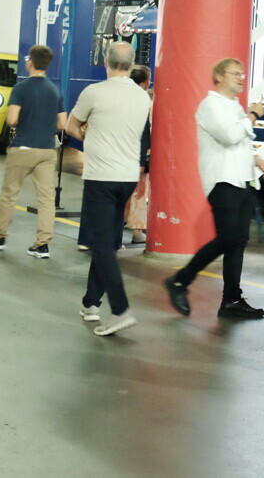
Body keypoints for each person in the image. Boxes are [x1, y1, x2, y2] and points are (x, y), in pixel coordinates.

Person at [163, 58, 264, 319]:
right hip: (223, 182)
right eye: (235, 73)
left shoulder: (234, 106)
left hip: (243, 180)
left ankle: (231, 299)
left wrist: (255, 159)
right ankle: (180, 280)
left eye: (243, 74)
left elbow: (239, 143)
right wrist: (254, 115)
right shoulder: (210, 105)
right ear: (219, 76)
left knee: (237, 242)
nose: (241, 77)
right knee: (229, 238)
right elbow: (229, 135)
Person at [65, 41, 152, 336]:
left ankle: (120, 309)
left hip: (101, 176)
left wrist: (86, 133)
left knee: (101, 244)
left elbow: (72, 126)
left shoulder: (94, 92)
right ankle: (91, 303)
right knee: (107, 238)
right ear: (131, 64)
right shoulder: (143, 99)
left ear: (106, 61)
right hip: (127, 177)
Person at [0, 44, 65, 258]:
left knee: (10, 192)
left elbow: (11, 119)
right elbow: (62, 124)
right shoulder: (55, 90)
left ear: (30, 63)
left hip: (24, 147)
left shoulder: (21, 88)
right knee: (46, 198)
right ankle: (42, 244)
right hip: (47, 150)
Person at [123, 65, 152, 245]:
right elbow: (144, 132)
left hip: (121, 153)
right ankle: (137, 230)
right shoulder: (144, 102)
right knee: (139, 194)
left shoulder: (124, 98)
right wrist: (143, 158)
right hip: (138, 154)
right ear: (143, 83)